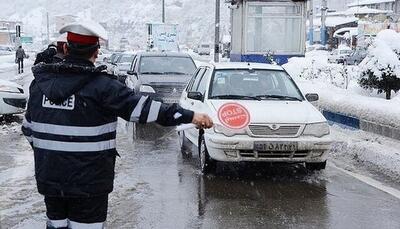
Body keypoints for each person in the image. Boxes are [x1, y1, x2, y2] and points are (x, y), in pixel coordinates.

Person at [22, 21, 213, 229]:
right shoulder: (104, 88)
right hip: (89, 185)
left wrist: (54, 157)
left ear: (66, 49)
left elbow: (29, 130)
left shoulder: (39, 86)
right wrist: (191, 116)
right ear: (96, 52)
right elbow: (147, 110)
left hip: (50, 181)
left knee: (55, 225)